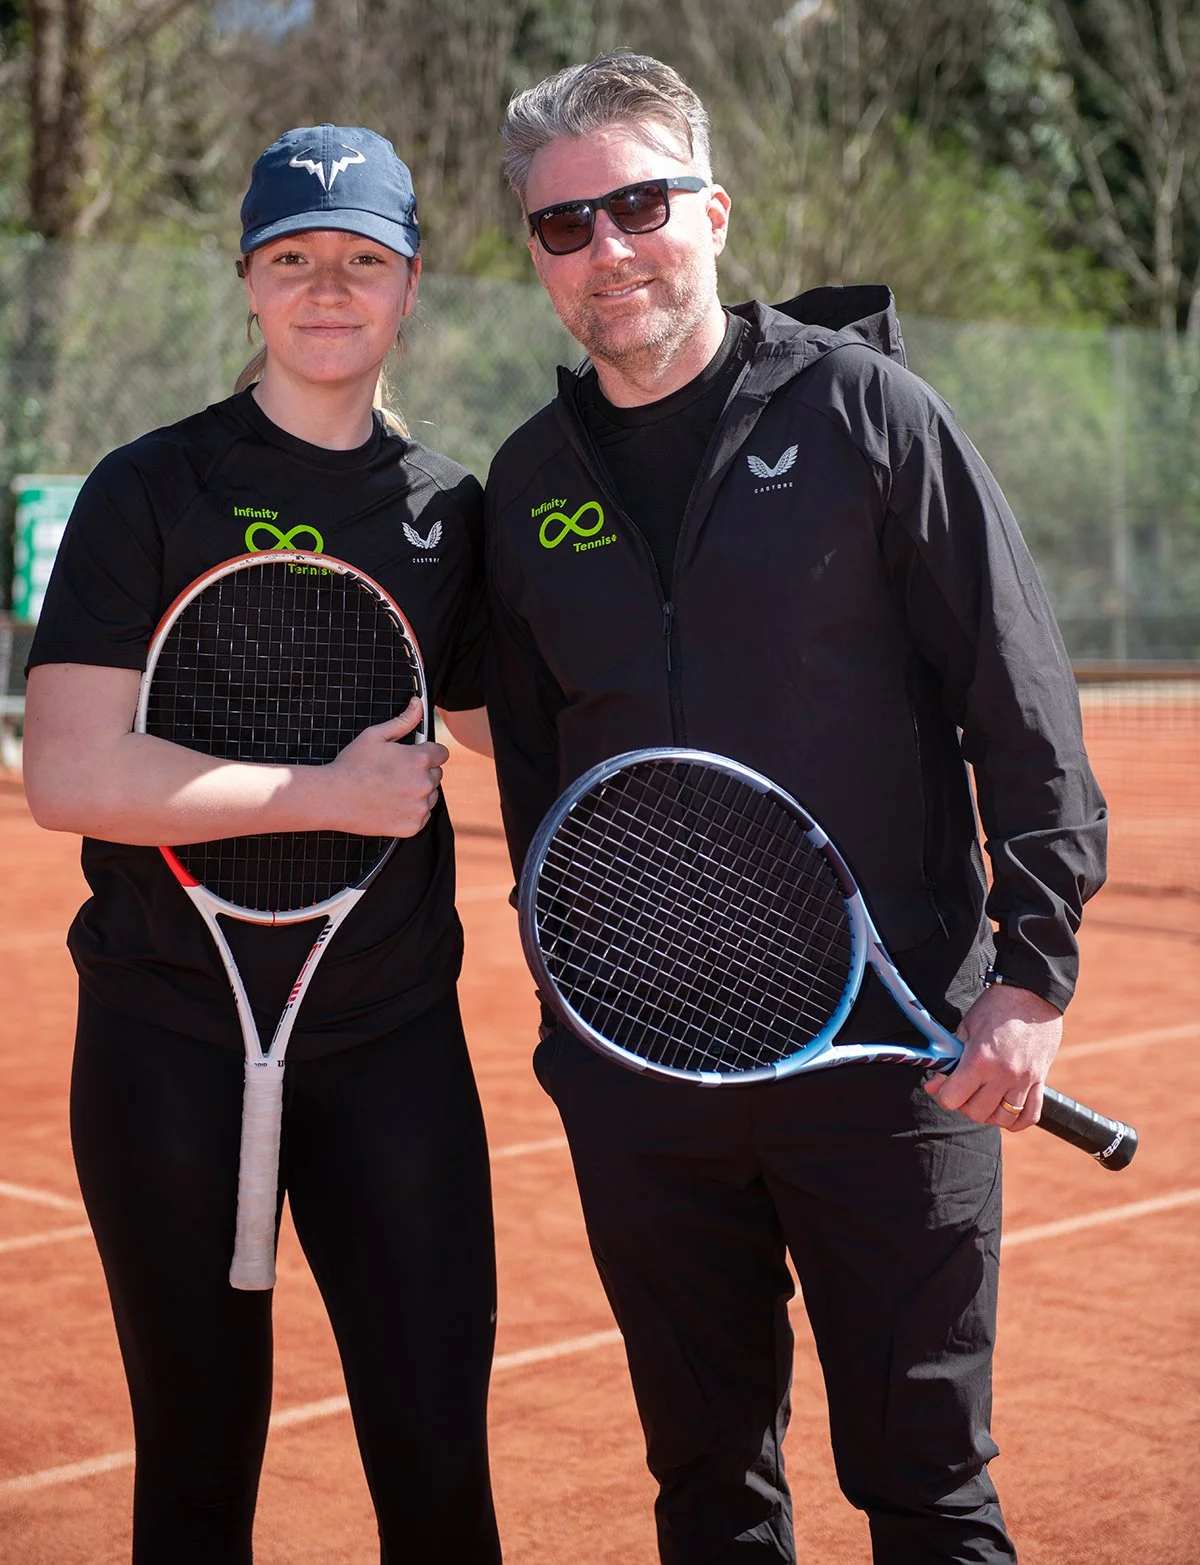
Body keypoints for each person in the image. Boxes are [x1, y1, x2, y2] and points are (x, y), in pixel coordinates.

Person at [484, 54, 1107, 1565]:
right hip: (649, 1085)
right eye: (566, 226)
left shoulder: (870, 414)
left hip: (889, 1066)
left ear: (713, 212)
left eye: (638, 205)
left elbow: (1019, 698)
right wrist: (583, 1018)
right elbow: (535, 777)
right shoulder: (526, 483)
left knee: (926, 1492)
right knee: (708, 1492)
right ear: (537, 258)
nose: (608, 249)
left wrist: (1031, 974)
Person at [23, 124, 502, 1564]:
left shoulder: (450, 514)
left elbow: (511, 734)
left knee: (435, 1472)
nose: (329, 288)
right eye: (293, 259)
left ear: (411, 285)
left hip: (391, 1042)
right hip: (167, 1040)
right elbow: (70, 771)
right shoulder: (147, 489)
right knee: (193, 1466)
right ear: (246, 281)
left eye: (363, 259)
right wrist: (321, 794)